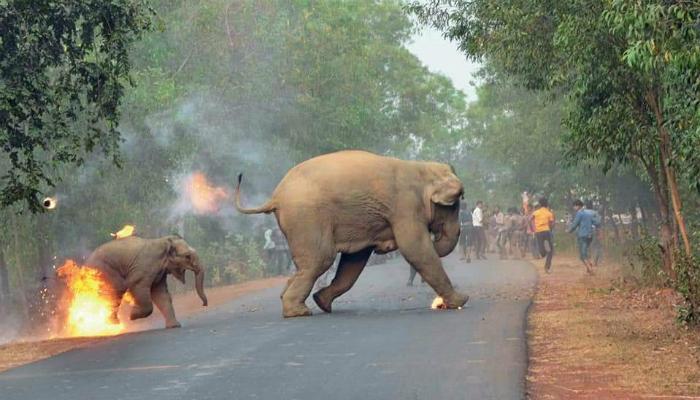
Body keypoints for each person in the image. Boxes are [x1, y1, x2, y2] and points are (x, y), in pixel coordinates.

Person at [568, 199, 600, 274]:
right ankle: (589, 267)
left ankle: (590, 268)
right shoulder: (589, 213)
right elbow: (597, 222)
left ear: (577, 206)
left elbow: (575, 224)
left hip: (582, 235)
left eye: (574, 206)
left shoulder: (580, 213)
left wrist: (569, 231)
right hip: (590, 235)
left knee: (582, 254)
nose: (574, 208)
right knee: (586, 251)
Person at [531, 197, 555, 272]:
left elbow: (530, 220)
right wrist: (550, 229)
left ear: (540, 204)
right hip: (547, 231)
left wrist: (533, 228)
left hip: (538, 232)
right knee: (551, 250)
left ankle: (543, 254)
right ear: (547, 204)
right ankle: (547, 267)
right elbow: (551, 223)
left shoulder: (536, 212)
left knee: (541, 249)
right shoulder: (549, 213)